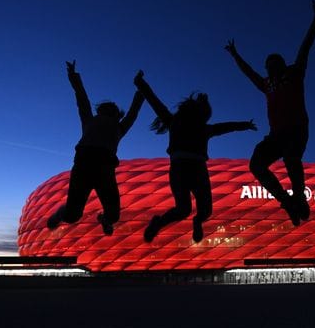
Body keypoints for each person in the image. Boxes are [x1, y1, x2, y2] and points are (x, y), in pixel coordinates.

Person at [225, 0, 315, 225]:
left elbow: (306, 48)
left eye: (274, 63)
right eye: (268, 65)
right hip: (276, 134)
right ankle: (287, 202)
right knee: (256, 164)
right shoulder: (267, 84)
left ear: (282, 64)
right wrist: (235, 55)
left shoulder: (294, 73)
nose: (270, 67)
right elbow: (249, 73)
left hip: (296, 129)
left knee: (292, 159)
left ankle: (299, 198)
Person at [134, 71, 256, 243]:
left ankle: (162, 222)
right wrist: (245, 125)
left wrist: (140, 83)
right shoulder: (201, 128)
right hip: (197, 169)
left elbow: (155, 102)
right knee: (204, 210)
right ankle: (195, 221)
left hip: (179, 168)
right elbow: (226, 127)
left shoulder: (175, 122)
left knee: (183, 209)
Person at [47, 61, 145, 235]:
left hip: (104, 170)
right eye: (106, 108)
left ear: (116, 114)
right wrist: (73, 76)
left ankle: (105, 220)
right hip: (84, 166)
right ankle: (62, 212)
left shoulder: (119, 127)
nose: (109, 110)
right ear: (101, 111)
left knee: (114, 214)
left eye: (112, 109)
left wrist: (141, 90)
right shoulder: (89, 120)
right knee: (71, 216)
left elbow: (133, 113)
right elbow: (82, 100)